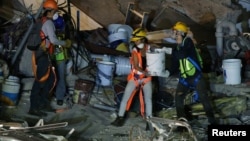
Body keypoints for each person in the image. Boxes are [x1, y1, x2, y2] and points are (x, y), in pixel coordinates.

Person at [170, 22, 218, 125]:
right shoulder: (177, 46)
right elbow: (175, 61)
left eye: (176, 32)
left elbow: (181, 55)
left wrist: (175, 46)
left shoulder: (188, 42)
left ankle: (213, 123)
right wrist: (168, 72)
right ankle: (182, 124)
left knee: (204, 100)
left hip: (196, 78)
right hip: (185, 79)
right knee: (178, 99)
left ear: (181, 33)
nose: (174, 34)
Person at [29, 0, 71, 116]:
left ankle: (43, 104)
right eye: (55, 11)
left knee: (51, 80)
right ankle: (34, 108)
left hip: (39, 53)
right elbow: (53, 40)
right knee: (40, 82)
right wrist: (65, 43)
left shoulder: (39, 21)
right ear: (51, 11)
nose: (55, 13)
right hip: (43, 55)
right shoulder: (49, 23)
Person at [111, 28, 153, 127]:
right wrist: (144, 72)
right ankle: (120, 118)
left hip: (146, 78)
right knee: (126, 97)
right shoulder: (135, 49)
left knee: (148, 100)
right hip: (136, 77)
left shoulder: (149, 48)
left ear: (143, 39)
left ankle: (150, 122)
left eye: (137, 40)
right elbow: (136, 65)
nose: (135, 42)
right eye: (135, 40)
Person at [53, 15, 72, 106]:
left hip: (59, 57)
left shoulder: (64, 30)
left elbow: (68, 42)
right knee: (56, 78)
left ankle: (59, 97)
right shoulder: (49, 27)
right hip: (53, 57)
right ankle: (57, 95)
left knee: (60, 78)